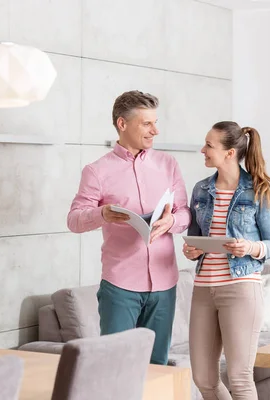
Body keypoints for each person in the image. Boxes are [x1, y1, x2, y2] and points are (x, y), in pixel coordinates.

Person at [67, 90, 190, 365]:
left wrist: (171, 221)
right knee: (115, 366)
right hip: (120, 285)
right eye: (147, 123)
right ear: (122, 124)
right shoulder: (97, 171)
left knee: (157, 367)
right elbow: (74, 219)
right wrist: (102, 214)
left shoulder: (168, 164)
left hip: (164, 284)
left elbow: (184, 213)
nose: (155, 130)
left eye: (155, 122)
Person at [182, 121, 270, 399]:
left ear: (229, 153)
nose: (203, 150)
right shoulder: (201, 190)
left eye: (209, 145)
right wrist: (192, 251)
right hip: (204, 288)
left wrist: (249, 247)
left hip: (241, 288)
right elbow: (195, 239)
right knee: (203, 378)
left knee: (239, 378)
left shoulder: (258, 189)